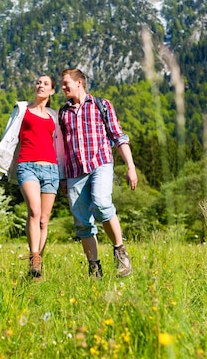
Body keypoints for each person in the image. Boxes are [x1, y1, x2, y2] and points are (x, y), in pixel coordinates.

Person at [57, 68, 137, 278]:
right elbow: (62, 149)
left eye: (66, 83)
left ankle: (120, 252)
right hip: (75, 171)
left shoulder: (101, 105)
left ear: (79, 83)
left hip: (100, 164)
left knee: (101, 203)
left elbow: (118, 136)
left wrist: (131, 166)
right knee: (82, 221)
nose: (63, 87)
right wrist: (62, 177)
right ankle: (94, 268)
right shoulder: (63, 113)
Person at [0, 74, 65, 279]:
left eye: (45, 84)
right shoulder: (22, 110)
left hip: (51, 170)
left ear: (52, 91)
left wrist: (64, 176)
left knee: (44, 220)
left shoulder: (54, 116)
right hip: (27, 166)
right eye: (38, 82)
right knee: (34, 210)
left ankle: (37, 267)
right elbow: (8, 140)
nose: (40, 85)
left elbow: (61, 148)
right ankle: (34, 257)